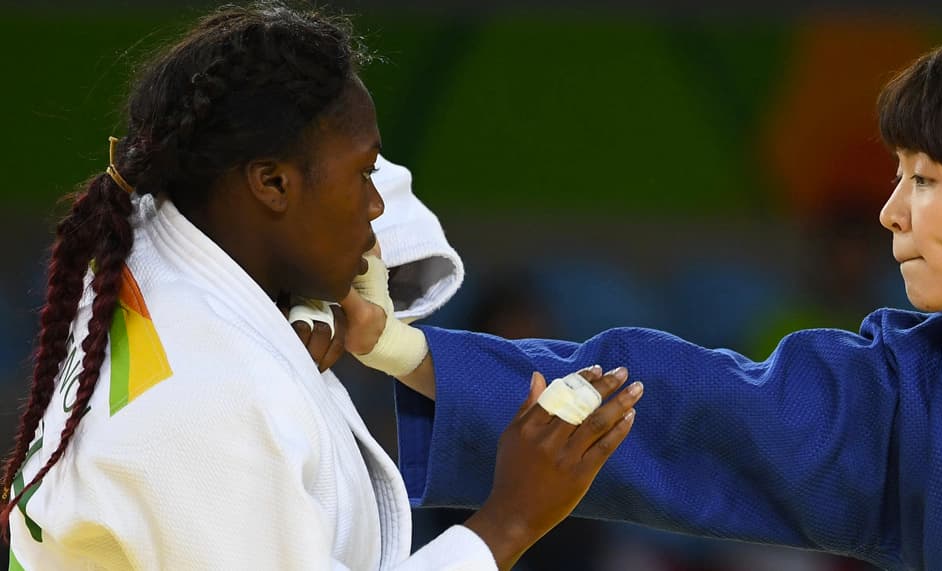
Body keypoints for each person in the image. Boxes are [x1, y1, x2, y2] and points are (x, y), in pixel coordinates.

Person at [0, 3, 645, 570]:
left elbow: (362, 192)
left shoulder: (153, 231)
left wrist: (308, 295)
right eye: (363, 175)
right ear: (271, 183)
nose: (378, 204)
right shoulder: (211, 405)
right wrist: (510, 519)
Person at [333, 26, 942, 571]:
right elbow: (688, 406)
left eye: (922, 178)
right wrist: (404, 350)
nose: (891, 212)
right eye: (897, 177)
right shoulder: (911, 400)